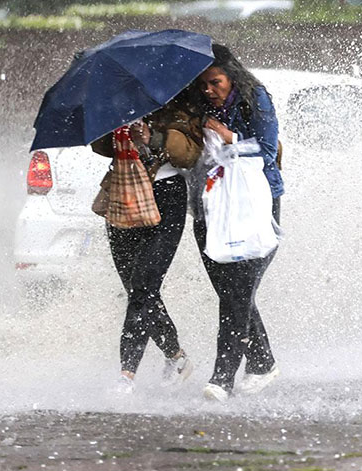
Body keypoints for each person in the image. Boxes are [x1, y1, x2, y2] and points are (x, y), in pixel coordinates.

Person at [189, 44, 284, 402]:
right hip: (210, 206)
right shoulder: (196, 108)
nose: (209, 91)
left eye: (215, 82)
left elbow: (267, 146)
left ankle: (221, 378)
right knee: (231, 293)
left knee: (238, 292)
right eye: (203, 85)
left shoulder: (254, 97)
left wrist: (227, 137)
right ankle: (262, 363)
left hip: (254, 203)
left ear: (232, 77)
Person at [91, 92, 203, 394]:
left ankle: (126, 375)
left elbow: (190, 155)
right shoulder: (118, 100)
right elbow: (98, 146)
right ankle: (177, 356)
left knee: (143, 287)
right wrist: (113, 124)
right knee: (136, 290)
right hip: (123, 192)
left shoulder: (182, 102)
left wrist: (152, 136)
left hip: (167, 197)